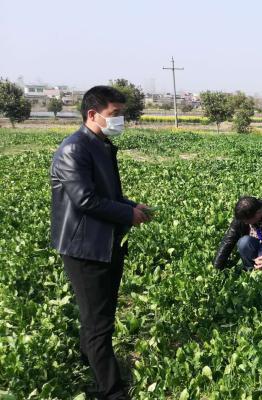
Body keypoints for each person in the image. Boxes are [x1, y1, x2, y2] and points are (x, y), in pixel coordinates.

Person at [50, 85, 153, 399]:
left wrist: (131, 206)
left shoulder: (101, 144)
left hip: (105, 242)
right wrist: (126, 215)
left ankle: (91, 361)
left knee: (101, 314)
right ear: (92, 114)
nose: (120, 120)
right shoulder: (75, 149)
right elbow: (85, 200)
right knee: (98, 323)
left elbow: (109, 195)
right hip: (85, 248)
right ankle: (112, 391)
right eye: (115, 114)